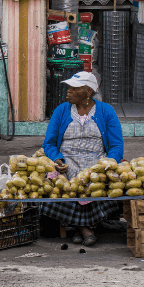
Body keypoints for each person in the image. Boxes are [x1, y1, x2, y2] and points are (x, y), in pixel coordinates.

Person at [41, 71, 124, 247]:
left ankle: (80, 228)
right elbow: (49, 144)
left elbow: (116, 146)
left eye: (73, 88)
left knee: (95, 183)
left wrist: (106, 165)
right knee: (61, 185)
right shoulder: (61, 111)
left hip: (96, 165)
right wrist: (58, 160)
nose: (68, 91)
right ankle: (85, 227)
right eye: (69, 88)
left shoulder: (106, 111)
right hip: (67, 164)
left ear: (87, 91)